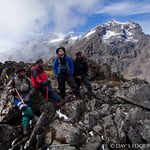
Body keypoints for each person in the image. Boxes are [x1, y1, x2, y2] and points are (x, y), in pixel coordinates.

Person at [6, 67, 35, 135]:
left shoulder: (28, 80)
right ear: (18, 73)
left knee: (25, 111)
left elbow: (32, 88)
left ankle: (25, 129)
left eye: (24, 72)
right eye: (21, 72)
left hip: (27, 97)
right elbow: (8, 87)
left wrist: (29, 94)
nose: (23, 73)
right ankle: (33, 117)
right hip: (17, 97)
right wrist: (11, 90)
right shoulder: (13, 80)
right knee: (25, 108)